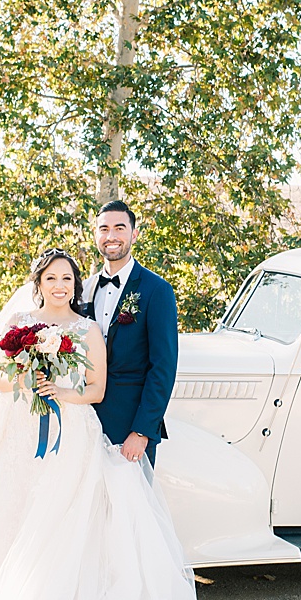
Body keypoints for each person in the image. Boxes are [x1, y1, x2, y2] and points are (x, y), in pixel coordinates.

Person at [0, 248, 198, 600]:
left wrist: (59, 389)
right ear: (38, 283)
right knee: (12, 516)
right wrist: (28, 377)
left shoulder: (88, 329)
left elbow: (97, 390)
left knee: (59, 523)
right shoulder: (16, 324)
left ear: (75, 284)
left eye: (67, 278)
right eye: (51, 278)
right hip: (19, 435)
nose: (60, 285)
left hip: (70, 433)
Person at [81, 200, 179, 468]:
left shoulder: (156, 290)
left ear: (134, 234)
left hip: (129, 429)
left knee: (130, 508)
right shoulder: (84, 290)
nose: (111, 236)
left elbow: (163, 368)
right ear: (95, 235)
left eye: (119, 228)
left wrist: (142, 431)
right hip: (84, 423)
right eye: (104, 229)